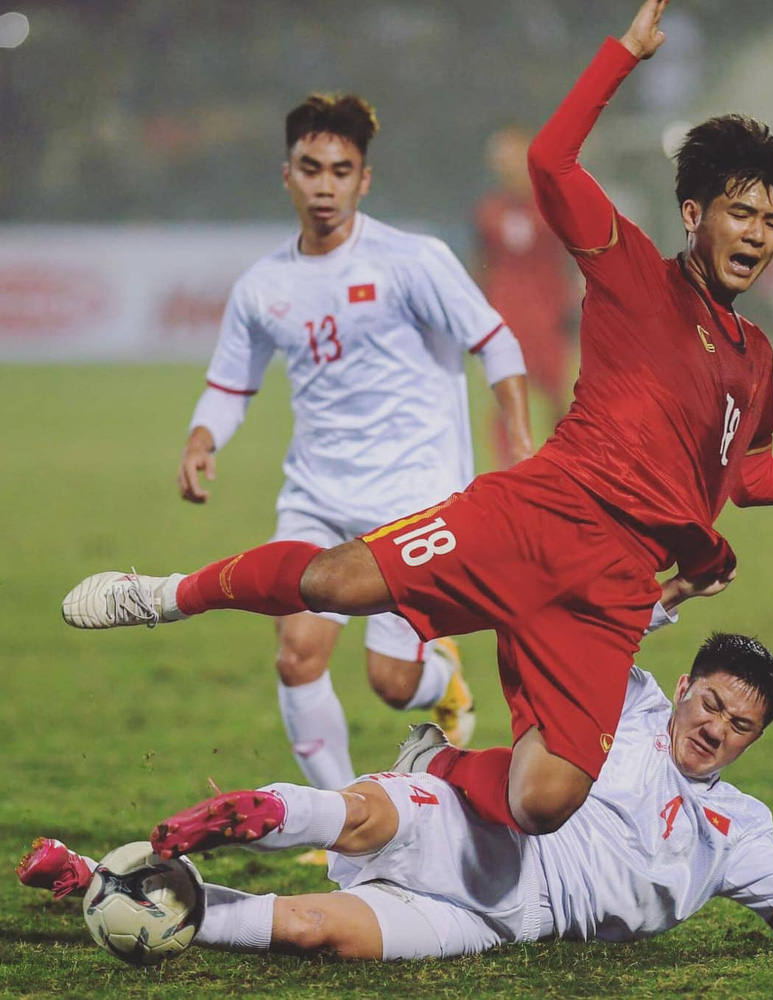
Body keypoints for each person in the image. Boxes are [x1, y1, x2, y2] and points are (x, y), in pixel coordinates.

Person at [61, 0, 773, 837]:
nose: (758, 235)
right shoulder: (631, 267)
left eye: (772, 222)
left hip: (618, 586)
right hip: (539, 516)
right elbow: (551, 162)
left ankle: (432, 762)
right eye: (741, 213)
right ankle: (164, 595)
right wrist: (622, 55)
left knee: (544, 800)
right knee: (331, 584)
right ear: (694, 215)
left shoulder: (755, 358)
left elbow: (750, 476)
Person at [18, 628, 773, 962]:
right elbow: (574, 630)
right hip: (485, 832)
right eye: (710, 703)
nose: (714, 728)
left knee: (315, 932)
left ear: (754, 739)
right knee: (366, 814)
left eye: (739, 726)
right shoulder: (628, 704)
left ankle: (103, 884)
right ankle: (258, 812)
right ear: (685, 686)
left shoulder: (740, 829)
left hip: (502, 920)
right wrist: (658, 598)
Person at [173, 92, 534, 791]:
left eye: (341, 171)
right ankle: (340, 819)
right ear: (288, 176)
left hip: (412, 502)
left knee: (391, 683)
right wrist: (201, 438)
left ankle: (442, 678)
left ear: (363, 180)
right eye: (311, 169)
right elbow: (230, 384)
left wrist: (518, 439)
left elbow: (495, 341)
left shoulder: (412, 261)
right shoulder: (263, 286)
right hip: (316, 495)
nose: (325, 186)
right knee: (296, 654)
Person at [474, 124, 577, 464]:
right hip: (506, 317)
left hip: (548, 318)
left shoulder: (552, 204)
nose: (506, 164)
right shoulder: (489, 211)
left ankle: (566, 464)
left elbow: (574, 255)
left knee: (559, 397)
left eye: (512, 155)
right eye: (500, 158)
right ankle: (510, 471)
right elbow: (481, 265)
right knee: (506, 396)